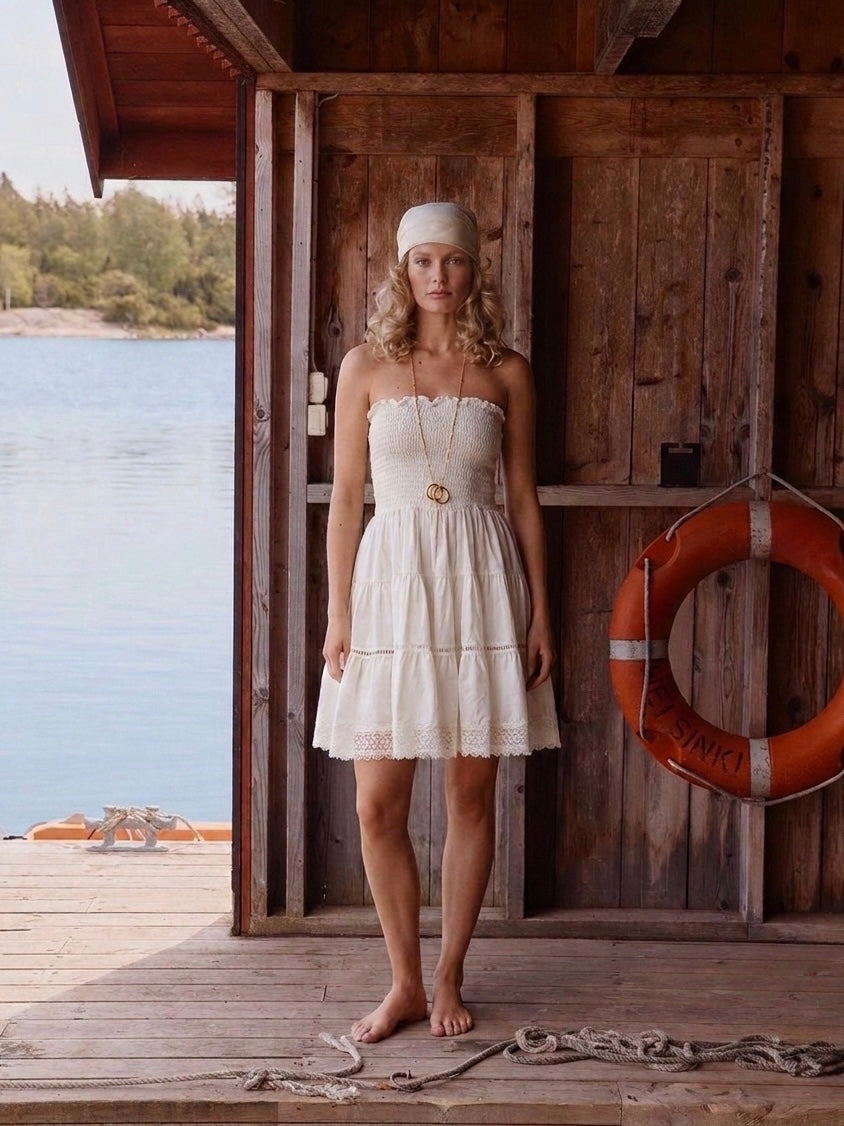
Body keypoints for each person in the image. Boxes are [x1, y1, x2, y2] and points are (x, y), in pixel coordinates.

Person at [313, 202, 560, 1043]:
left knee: (469, 794)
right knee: (376, 803)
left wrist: (541, 614)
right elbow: (347, 499)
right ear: (403, 270)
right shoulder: (365, 367)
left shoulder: (507, 372)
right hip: (390, 588)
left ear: (473, 270)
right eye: (423, 261)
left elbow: (523, 500)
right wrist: (339, 612)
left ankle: (450, 974)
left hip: (479, 586)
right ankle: (404, 984)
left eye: (452, 261)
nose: (438, 276)